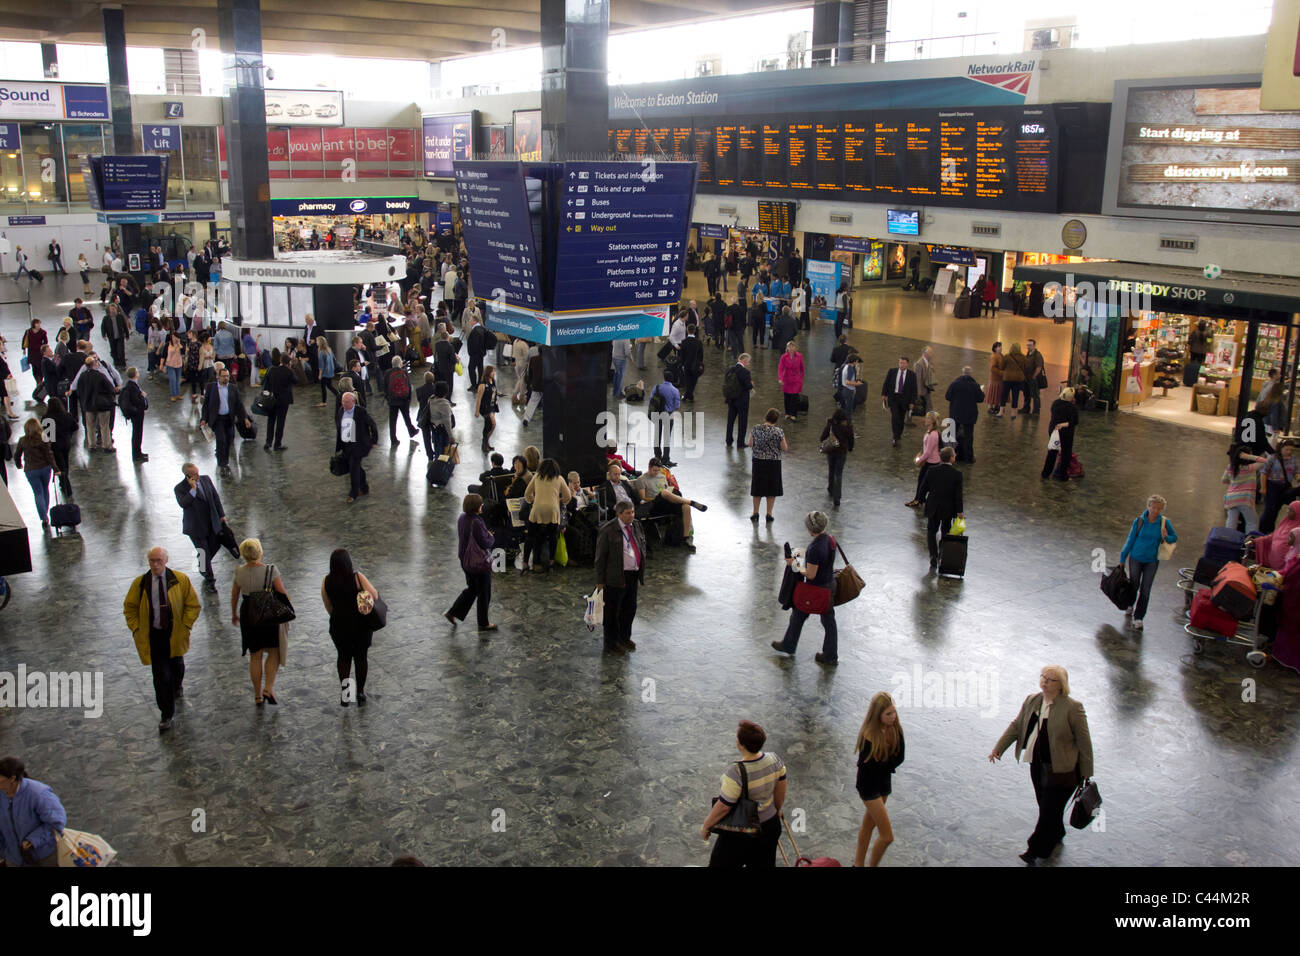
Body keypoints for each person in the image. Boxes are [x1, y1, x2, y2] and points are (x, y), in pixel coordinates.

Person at [989, 665, 1094, 864]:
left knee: (1047, 810)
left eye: (1050, 679)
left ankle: (1035, 849)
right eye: (1043, 677)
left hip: (1063, 771)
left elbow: (1084, 742)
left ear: (1061, 685)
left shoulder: (1073, 708)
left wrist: (1086, 773)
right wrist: (999, 748)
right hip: (1037, 764)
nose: (1044, 681)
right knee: (1047, 808)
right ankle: (1057, 832)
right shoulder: (1032, 700)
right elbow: (1017, 725)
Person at [124, 547, 202, 732]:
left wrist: (186, 625)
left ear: (166, 560)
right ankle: (166, 714)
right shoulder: (141, 583)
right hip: (154, 636)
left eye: (158, 560)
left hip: (174, 634)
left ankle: (177, 685)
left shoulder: (180, 580)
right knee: (160, 677)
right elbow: (130, 607)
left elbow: (193, 604)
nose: (155, 564)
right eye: (152, 560)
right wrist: (136, 628)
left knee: (176, 665)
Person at [699, 720, 787, 867]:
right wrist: (777, 811)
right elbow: (780, 792)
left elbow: (724, 806)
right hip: (770, 827)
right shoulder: (775, 760)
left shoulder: (735, 772)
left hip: (742, 832)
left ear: (741, 744)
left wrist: (706, 826)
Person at [772, 511, 839, 665]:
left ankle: (789, 645)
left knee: (799, 615)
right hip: (829, 586)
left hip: (816, 591)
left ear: (810, 528)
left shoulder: (815, 548)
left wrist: (793, 564)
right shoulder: (830, 539)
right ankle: (830, 654)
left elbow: (810, 574)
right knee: (826, 621)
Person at [231, 538, 289, 705]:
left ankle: (257, 696)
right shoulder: (271, 571)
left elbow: (235, 594)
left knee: (255, 655)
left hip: (248, 614)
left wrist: (234, 613)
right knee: (273, 652)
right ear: (260, 552)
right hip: (268, 614)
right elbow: (282, 593)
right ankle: (268, 688)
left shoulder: (239, 572)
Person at [321, 549, 379, 706]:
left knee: (344, 658)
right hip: (361, 626)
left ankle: (346, 695)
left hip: (339, 626)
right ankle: (360, 693)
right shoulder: (357, 578)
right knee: (361, 658)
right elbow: (374, 595)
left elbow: (328, 605)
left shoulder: (326, 581)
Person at [853, 692, 904, 867]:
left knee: (869, 824)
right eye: (888, 714)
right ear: (878, 715)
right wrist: (887, 764)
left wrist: (885, 764)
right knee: (887, 836)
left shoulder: (895, 728)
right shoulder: (869, 734)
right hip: (868, 785)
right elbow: (867, 766)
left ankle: (858, 864)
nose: (893, 717)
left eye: (893, 712)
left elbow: (900, 756)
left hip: (883, 781)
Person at [594, 499, 647, 653]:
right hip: (615, 576)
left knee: (629, 609)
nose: (631, 515)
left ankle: (625, 637)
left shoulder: (636, 525)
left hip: (633, 574)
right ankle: (611, 643)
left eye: (633, 512)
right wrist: (600, 580)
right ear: (619, 514)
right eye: (628, 513)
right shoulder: (608, 530)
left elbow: (641, 544)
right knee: (612, 612)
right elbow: (600, 557)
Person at [1118, 495, 1178, 631]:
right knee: (1134, 585)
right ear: (1148, 507)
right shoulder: (1139, 521)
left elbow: (1174, 537)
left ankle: (1139, 617)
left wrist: (1166, 537)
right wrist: (1123, 557)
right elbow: (1130, 539)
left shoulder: (1164, 522)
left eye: (1159, 509)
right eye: (1153, 508)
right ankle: (1130, 603)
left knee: (1145, 590)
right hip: (1136, 558)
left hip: (1152, 561)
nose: (1155, 511)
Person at [0, 757, 67, 867]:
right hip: (14, 858)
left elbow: (56, 822)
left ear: (12, 779)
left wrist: (33, 840)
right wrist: (5, 851)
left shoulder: (38, 793)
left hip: (44, 856)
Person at [175, 462, 234, 589]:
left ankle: (202, 564)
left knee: (215, 545)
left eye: (197, 472)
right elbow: (183, 503)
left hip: (212, 522)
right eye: (194, 474)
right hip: (196, 527)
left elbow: (215, 497)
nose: (198, 475)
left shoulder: (206, 479)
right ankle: (210, 579)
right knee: (204, 552)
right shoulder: (180, 488)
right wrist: (193, 490)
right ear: (187, 476)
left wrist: (221, 514)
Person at [445, 494, 497, 630]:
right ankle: (484, 623)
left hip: (465, 560)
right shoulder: (477, 522)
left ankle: (453, 612)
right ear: (477, 507)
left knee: (472, 589)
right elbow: (485, 543)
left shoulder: (462, 518)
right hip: (479, 563)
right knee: (484, 592)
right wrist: (491, 537)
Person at [632, 458, 706, 553]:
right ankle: (691, 502)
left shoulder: (662, 477)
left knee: (685, 507)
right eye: (654, 470)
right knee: (664, 493)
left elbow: (668, 491)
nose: (656, 472)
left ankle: (686, 538)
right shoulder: (641, 479)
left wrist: (667, 494)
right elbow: (644, 497)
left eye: (658, 470)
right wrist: (659, 496)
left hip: (665, 502)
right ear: (649, 467)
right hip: (653, 505)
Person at [523, 458, 572, 573]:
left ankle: (526, 562)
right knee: (552, 537)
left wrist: (532, 501)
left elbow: (527, 493)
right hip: (553, 511)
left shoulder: (537, 477)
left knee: (531, 537)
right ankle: (551, 563)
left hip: (538, 510)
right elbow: (568, 496)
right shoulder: (559, 479)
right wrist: (560, 501)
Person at [200, 367, 251, 478]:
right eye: (223, 376)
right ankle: (223, 464)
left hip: (229, 419)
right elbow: (206, 405)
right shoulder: (211, 387)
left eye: (227, 376)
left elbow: (239, 405)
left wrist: (245, 418)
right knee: (221, 440)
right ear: (218, 376)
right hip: (217, 419)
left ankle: (224, 460)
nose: (226, 378)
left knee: (228, 441)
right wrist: (203, 419)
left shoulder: (233, 388)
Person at [919, 447, 964, 569]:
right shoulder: (957, 475)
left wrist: (921, 499)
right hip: (948, 509)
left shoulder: (932, 471)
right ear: (951, 458)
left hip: (933, 505)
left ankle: (933, 555)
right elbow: (958, 496)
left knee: (931, 531)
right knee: (946, 531)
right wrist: (960, 511)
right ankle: (943, 552)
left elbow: (923, 487)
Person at [335, 391, 379, 503]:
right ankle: (364, 487)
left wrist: (374, 440)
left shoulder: (360, 411)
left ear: (353, 402)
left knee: (353, 468)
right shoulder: (341, 410)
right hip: (346, 445)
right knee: (356, 467)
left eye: (346, 402)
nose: (344, 404)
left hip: (358, 445)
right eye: (343, 402)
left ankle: (353, 494)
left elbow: (372, 425)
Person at [13, 419, 57, 529]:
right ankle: (45, 512)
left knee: (37, 493)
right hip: (45, 468)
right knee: (45, 489)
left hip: (31, 470)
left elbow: (17, 455)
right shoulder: (43, 437)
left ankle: (43, 517)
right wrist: (55, 468)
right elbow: (49, 455)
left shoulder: (22, 440)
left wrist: (19, 464)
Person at [749, 408, 788, 522]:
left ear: (765, 417)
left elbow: (750, 443)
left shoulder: (756, 429)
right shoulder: (779, 431)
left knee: (757, 488)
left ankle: (755, 513)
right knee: (772, 489)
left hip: (758, 461)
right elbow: (785, 448)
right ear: (776, 420)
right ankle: (769, 514)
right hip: (773, 463)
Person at [1222, 444, 1268, 534]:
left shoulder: (1230, 467)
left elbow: (1224, 480)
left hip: (1231, 499)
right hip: (1245, 499)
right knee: (1252, 522)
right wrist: (1249, 456)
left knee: (1231, 521)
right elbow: (1265, 461)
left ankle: (1228, 539)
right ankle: (1249, 542)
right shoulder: (1250, 468)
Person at [945, 366, 984, 464]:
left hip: (955, 414)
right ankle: (968, 458)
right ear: (970, 374)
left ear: (962, 373)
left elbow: (947, 396)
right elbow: (981, 399)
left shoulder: (954, 384)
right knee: (969, 437)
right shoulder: (975, 385)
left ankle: (949, 456)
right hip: (969, 415)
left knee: (952, 436)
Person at [1041, 387, 1080, 481]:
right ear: (1071, 398)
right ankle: (1063, 475)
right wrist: (1063, 424)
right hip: (1066, 433)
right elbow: (1074, 421)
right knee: (1066, 454)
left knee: (1052, 452)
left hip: (1054, 431)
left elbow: (1054, 416)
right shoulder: (1072, 408)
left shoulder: (1055, 403)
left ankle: (1045, 473)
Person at [259, 350, 295, 452]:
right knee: (280, 421)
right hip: (283, 400)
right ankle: (277, 444)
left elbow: (265, 383)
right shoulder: (288, 371)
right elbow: (296, 381)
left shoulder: (271, 370)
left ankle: (268, 442)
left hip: (271, 399)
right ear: (288, 362)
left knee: (271, 420)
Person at [906, 411, 942, 508]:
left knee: (924, 483)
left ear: (932, 421)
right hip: (929, 461)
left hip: (931, 463)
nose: (925, 420)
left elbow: (928, 453)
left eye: (928, 418)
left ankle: (918, 500)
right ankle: (919, 499)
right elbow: (925, 447)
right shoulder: (929, 431)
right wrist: (920, 453)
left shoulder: (933, 435)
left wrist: (919, 460)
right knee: (923, 482)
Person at [881, 355, 918, 447]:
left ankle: (898, 434)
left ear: (907, 364)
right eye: (900, 362)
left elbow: (914, 390)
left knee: (901, 419)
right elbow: (886, 383)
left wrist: (912, 402)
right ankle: (895, 437)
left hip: (905, 400)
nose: (901, 365)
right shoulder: (892, 372)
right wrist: (884, 395)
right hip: (894, 398)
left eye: (903, 363)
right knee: (895, 417)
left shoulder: (912, 375)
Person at [650, 371, 681, 465]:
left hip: (657, 414)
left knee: (657, 436)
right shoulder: (675, 390)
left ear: (664, 377)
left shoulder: (657, 387)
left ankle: (657, 456)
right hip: (668, 415)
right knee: (667, 438)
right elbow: (677, 405)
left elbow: (651, 399)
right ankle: (666, 459)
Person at [118, 366, 149, 462]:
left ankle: (138, 452)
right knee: (137, 434)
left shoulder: (130, 385)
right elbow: (136, 400)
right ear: (135, 374)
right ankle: (137, 455)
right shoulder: (133, 387)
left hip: (135, 413)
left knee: (137, 433)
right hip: (137, 414)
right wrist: (142, 396)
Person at [725, 353, 754, 449]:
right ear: (744, 361)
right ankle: (740, 442)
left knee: (730, 421)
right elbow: (748, 386)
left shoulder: (729, 369)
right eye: (748, 362)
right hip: (742, 401)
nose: (748, 364)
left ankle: (728, 440)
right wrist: (751, 384)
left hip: (731, 399)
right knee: (742, 422)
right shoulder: (745, 372)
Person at [778, 341, 805, 422]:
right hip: (786, 379)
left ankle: (793, 414)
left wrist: (801, 379)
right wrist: (780, 378)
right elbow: (780, 368)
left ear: (795, 348)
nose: (791, 348)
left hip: (796, 380)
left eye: (792, 347)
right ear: (787, 348)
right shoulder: (783, 357)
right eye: (789, 347)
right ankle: (787, 413)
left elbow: (802, 368)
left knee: (794, 397)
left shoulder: (799, 356)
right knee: (787, 397)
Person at [474, 364, 499, 453]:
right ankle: (485, 442)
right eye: (492, 371)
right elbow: (479, 399)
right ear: (488, 372)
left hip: (492, 406)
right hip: (485, 407)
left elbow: (494, 391)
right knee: (491, 424)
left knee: (490, 425)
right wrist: (477, 411)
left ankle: (486, 442)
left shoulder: (493, 381)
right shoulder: (482, 385)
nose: (494, 373)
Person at [678, 324, 705, 402]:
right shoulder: (698, 342)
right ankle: (689, 396)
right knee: (693, 381)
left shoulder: (684, 342)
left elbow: (681, 355)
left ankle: (687, 396)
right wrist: (700, 364)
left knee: (688, 380)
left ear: (687, 330)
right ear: (695, 331)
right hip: (696, 365)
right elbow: (701, 355)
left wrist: (682, 364)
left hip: (686, 364)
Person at [1001, 343, 1028, 419]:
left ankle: (1001, 411)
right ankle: (1013, 413)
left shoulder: (1007, 357)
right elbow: (1025, 367)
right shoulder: (1023, 358)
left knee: (1004, 395)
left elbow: (1002, 366)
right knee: (1015, 396)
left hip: (1007, 378)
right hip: (1018, 379)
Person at [1021, 339, 1045, 414]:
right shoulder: (1029, 353)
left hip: (1033, 379)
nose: (1028, 347)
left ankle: (1036, 411)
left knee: (1035, 395)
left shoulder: (1037, 355)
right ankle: (1026, 408)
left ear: (1034, 345)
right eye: (1027, 345)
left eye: (1030, 345)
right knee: (1026, 394)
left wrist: (1034, 376)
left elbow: (1039, 367)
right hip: (1026, 378)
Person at [837, 354, 862, 424]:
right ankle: (848, 424)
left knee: (847, 408)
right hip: (848, 391)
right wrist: (857, 384)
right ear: (854, 361)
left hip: (845, 389)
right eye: (856, 361)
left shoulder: (845, 366)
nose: (857, 363)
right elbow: (847, 382)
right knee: (849, 410)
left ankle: (846, 423)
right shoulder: (850, 369)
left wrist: (854, 388)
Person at [913, 346, 937, 417]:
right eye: (930, 352)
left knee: (929, 405)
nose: (931, 354)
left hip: (926, 388)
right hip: (922, 389)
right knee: (915, 404)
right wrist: (918, 393)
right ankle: (908, 418)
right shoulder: (919, 364)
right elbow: (918, 379)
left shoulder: (928, 362)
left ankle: (931, 419)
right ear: (925, 353)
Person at [314, 337, 338, 407]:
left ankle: (324, 402)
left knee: (323, 387)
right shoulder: (329, 349)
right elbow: (334, 359)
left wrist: (320, 374)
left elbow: (321, 365)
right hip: (330, 371)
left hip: (325, 373)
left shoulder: (321, 352)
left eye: (317, 341)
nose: (316, 342)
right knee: (329, 386)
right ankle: (338, 395)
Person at [986, 342, 1005, 418]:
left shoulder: (1001, 355)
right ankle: (990, 407)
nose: (1000, 348)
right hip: (995, 378)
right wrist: (1002, 373)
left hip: (1000, 379)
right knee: (992, 393)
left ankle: (997, 406)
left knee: (997, 393)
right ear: (994, 348)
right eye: (998, 347)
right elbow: (992, 368)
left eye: (1000, 346)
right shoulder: (994, 356)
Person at [165, 332, 185, 400]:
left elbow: (183, 351)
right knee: (173, 379)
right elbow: (164, 354)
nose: (173, 338)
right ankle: (173, 395)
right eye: (172, 337)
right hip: (170, 364)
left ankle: (177, 394)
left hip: (178, 364)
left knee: (177, 380)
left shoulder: (180, 344)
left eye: (175, 337)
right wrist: (162, 364)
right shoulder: (168, 344)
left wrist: (178, 343)